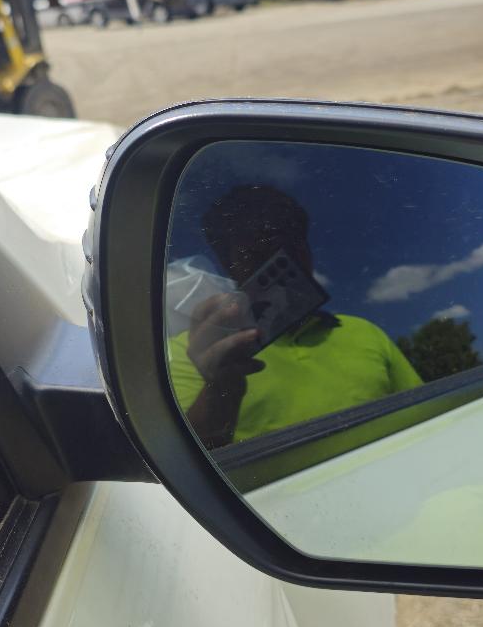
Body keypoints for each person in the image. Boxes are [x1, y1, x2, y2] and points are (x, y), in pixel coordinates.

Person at [168, 185, 422, 448]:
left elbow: (423, 416)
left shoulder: (366, 331)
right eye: (255, 253)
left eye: (291, 246)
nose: (279, 260)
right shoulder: (190, 353)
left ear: (308, 251)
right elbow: (187, 458)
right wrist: (221, 388)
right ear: (227, 265)